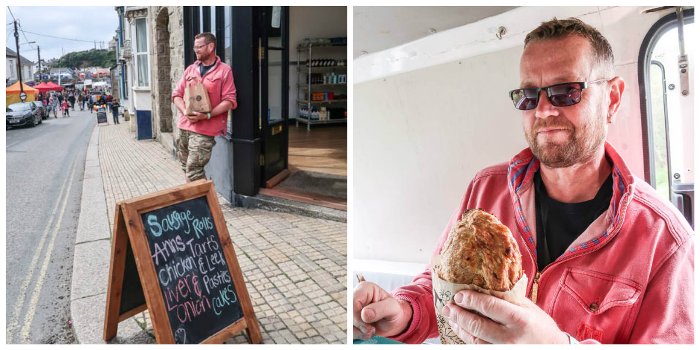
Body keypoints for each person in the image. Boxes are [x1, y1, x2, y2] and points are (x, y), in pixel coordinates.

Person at [353, 18, 694, 344]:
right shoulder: (485, 190)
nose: (543, 111)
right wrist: (403, 312)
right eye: (529, 96)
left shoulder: (665, 241)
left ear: (612, 99)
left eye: (566, 91)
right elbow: (441, 287)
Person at [172, 32, 237, 182]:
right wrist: (185, 111)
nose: (196, 50)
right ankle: (203, 200)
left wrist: (207, 115)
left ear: (211, 46)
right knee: (186, 167)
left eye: (199, 47)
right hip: (184, 126)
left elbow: (229, 101)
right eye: (194, 47)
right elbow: (176, 95)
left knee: (193, 171)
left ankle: (201, 204)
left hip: (205, 129)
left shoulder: (224, 70)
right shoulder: (190, 69)